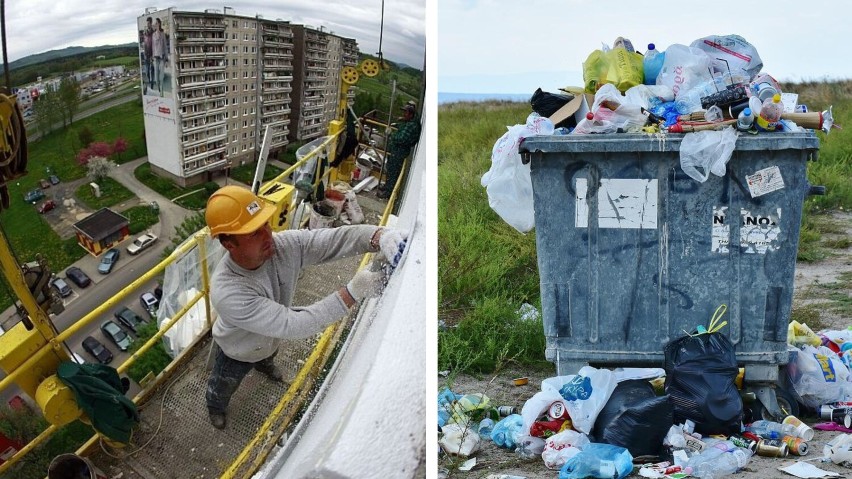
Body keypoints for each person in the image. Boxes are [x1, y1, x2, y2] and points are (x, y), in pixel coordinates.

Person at [203, 185, 407, 429]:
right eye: (254, 233)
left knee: (268, 354)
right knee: (224, 383)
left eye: (265, 225)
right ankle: (215, 405)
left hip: (269, 341)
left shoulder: (280, 245)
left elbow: (331, 240)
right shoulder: (228, 291)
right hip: (238, 350)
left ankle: (265, 364)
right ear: (229, 244)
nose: (268, 236)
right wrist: (353, 292)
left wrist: (377, 236)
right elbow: (294, 324)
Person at [378, 101, 421, 199]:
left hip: (399, 152)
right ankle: (387, 186)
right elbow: (403, 127)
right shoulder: (410, 121)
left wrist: (391, 135)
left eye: (405, 113)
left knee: (393, 172)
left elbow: (401, 138)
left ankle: (388, 193)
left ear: (411, 114)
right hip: (396, 150)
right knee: (389, 169)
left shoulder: (412, 126)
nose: (403, 114)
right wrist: (400, 122)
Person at [151, 18, 167, 95]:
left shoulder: (162, 34)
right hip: (156, 58)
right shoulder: (153, 35)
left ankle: (162, 91)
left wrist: (166, 58)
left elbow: (165, 46)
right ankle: (158, 89)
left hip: (162, 57)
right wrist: (152, 56)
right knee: (156, 77)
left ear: (159, 24)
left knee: (162, 76)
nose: (156, 25)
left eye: (157, 23)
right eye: (155, 24)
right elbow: (153, 47)